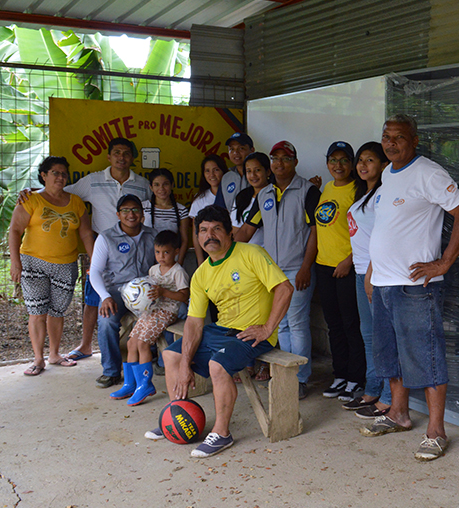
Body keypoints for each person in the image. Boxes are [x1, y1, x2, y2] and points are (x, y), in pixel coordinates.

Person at [360, 114, 459, 462]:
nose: (391, 143)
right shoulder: (387, 175)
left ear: (414, 140)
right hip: (382, 283)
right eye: (386, 137)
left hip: (414, 287)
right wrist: (371, 272)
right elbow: (387, 229)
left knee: (426, 356)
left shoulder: (428, 172)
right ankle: (398, 413)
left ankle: (436, 431)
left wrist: (444, 262)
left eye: (398, 137)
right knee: (389, 353)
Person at [144, 205, 293, 458]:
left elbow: (285, 288)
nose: (209, 235)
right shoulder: (202, 273)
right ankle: (175, 415)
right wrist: (184, 366)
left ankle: (222, 433)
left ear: (229, 233)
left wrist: (268, 328)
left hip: (252, 333)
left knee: (217, 364)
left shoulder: (251, 253)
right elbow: (193, 322)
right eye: (203, 230)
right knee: (171, 356)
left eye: (216, 229)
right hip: (221, 329)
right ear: (197, 237)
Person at [236, 141, 320, 397]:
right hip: (272, 273)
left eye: (285, 158)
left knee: (296, 323)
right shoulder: (264, 194)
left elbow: (316, 231)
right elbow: (248, 230)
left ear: (295, 162)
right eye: (275, 158)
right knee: (280, 325)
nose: (279, 163)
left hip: (297, 269)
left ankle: (301, 379)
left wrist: (306, 267)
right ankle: (287, 375)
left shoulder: (308, 191)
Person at [58, 138, 151, 366]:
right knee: (95, 300)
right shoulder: (93, 180)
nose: (121, 157)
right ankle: (86, 345)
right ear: (109, 157)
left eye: (126, 153)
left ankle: (147, 356)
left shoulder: (142, 184)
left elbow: (149, 208)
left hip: (136, 249)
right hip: (103, 248)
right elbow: (63, 193)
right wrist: (32, 193)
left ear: (132, 158)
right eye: (117, 153)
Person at [9, 156, 95, 376]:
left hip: (66, 264)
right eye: (55, 172)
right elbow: (15, 230)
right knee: (37, 311)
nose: (60, 176)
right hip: (33, 263)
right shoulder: (31, 200)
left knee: (57, 311)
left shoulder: (76, 202)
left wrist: (94, 258)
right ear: (43, 176)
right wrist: (15, 262)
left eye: (64, 173)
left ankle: (54, 354)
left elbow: (85, 232)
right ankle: (38, 359)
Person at [343, 142, 392, 417]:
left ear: (384, 165)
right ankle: (372, 389)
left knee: (383, 337)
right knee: (369, 335)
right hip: (362, 271)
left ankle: (388, 396)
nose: (363, 165)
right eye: (360, 159)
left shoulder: (383, 195)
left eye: (370, 160)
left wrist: (371, 274)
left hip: (377, 273)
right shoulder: (363, 194)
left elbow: (383, 238)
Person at [114, 230, 189, 405]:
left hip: (166, 312)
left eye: (166, 252)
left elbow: (185, 296)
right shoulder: (153, 270)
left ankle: (145, 385)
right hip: (150, 311)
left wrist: (164, 292)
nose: (161, 256)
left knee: (143, 343)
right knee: (132, 341)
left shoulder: (178, 271)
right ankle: (130, 383)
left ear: (176, 251)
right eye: (157, 252)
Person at [315, 141, 365, 402]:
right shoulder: (326, 188)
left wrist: (349, 260)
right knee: (333, 325)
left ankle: (357, 379)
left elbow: (367, 232)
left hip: (347, 267)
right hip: (324, 266)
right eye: (333, 160)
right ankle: (340, 375)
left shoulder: (358, 190)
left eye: (344, 160)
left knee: (351, 324)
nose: (338, 165)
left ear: (353, 164)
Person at [90, 195, 157, 388]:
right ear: (118, 214)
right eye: (126, 210)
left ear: (142, 214)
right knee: (106, 319)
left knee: (174, 311)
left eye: (135, 210)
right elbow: (95, 271)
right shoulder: (106, 237)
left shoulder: (152, 235)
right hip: (117, 292)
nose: (131, 214)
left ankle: (159, 359)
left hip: (147, 291)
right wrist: (106, 297)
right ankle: (111, 371)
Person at [142, 169, 191, 264]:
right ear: (151, 187)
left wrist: (178, 264)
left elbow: (184, 240)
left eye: (165, 184)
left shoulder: (181, 210)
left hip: (171, 261)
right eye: (156, 185)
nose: (161, 189)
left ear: (172, 185)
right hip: (147, 261)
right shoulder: (143, 207)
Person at [191, 154, 229, 267]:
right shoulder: (200, 200)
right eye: (207, 171)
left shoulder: (234, 196)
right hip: (209, 254)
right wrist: (200, 261)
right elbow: (195, 233)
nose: (211, 175)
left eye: (216, 170)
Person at [223, 132, 253, 211]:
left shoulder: (258, 175)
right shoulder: (226, 177)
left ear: (252, 150)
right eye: (231, 149)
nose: (236, 153)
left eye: (241, 148)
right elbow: (221, 207)